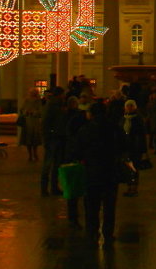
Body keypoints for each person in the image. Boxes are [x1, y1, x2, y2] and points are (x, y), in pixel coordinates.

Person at [74, 101, 126, 245]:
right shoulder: (114, 128)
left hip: (91, 172)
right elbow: (124, 146)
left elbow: (77, 151)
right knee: (109, 206)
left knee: (91, 206)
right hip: (110, 171)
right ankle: (108, 233)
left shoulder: (85, 129)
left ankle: (92, 233)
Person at [62, 96, 88, 226]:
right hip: (81, 159)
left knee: (73, 189)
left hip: (71, 157)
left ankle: (73, 216)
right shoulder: (83, 128)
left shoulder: (67, 120)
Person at [40, 88, 66, 196]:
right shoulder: (53, 106)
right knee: (51, 164)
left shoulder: (54, 105)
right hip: (53, 138)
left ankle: (50, 188)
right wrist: (48, 136)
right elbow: (46, 123)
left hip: (55, 137)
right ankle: (48, 188)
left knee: (54, 164)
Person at [121, 99, 148, 197]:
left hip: (135, 148)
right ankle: (129, 186)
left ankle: (134, 188)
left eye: (131, 106)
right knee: (128, 168)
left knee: (134, 168)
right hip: (125, 148)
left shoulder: (138, 119)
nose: (129, 108)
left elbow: (141, 135)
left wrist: (143, 149)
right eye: (127, 106)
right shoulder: (123, 119)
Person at [19, 88, 44, 162]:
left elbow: (40, 111)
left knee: (34, 139)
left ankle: (34, 153)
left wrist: (33, 112)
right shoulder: (27, 100)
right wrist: (26, 112)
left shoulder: (38, 101)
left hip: (34, 122)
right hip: (28, 122)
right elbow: (22, 109)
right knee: (29, 140)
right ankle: (30, 154)